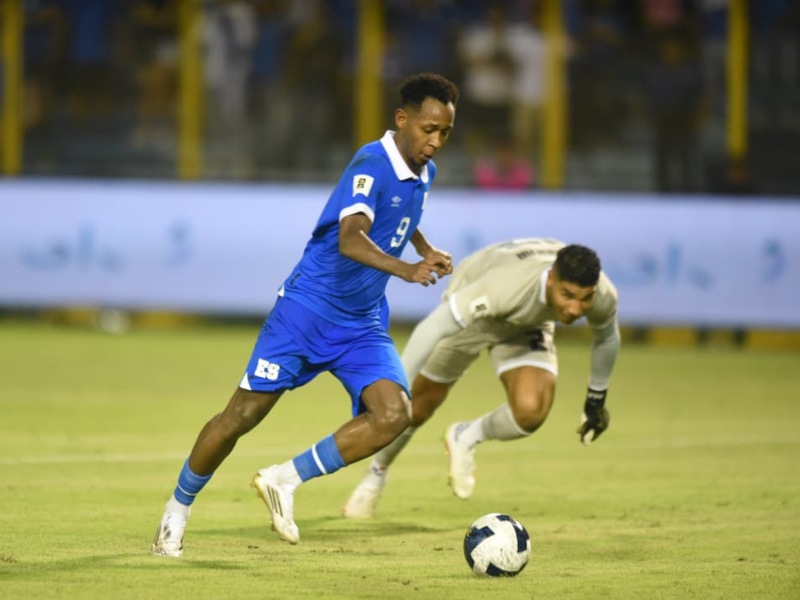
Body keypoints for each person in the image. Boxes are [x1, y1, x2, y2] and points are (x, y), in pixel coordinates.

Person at [151, 72, 459, 556]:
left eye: (445, 132)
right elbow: (350, 239)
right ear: (403, 119)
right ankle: (177, 509)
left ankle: (284, 479)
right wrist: (407, 269)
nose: (436, 141)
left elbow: (403, 213)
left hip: (361, 324)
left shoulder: (425, 172)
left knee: (394, 414)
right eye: (429, 129)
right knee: (240, 416)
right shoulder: (371, 163)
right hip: (306, 312)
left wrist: (424, 247)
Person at [343, 238, 620, 518]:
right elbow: (433, 327)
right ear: (550, 280)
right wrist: (397, 385)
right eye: (567, 295)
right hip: (475, 314)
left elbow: (606, 338)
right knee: (418, 405)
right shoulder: (503, 286)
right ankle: (376, 473)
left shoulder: (603, 294)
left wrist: (595, 401)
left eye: (584, 299)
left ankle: (466, 435)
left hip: (527, 322)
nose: (575, 309)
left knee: (531, 411)